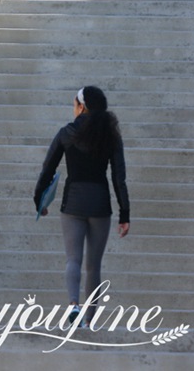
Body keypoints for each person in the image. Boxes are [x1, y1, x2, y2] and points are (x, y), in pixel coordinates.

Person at [34, 86, 130, 325]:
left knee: (73, 260)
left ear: (82, 106)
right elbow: (119, 177)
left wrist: (39, 200)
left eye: (74, 103)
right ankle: (90, 319)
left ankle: (74, 304)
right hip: (100, 203)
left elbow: (48, 168)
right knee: (94, 266)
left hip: (73, 203)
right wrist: (124, 213)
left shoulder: (67, 133)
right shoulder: (111, 136)